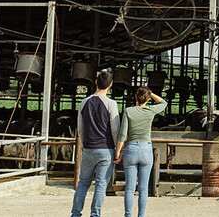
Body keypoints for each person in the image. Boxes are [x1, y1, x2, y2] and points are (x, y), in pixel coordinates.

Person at [70, 71, 120, 217]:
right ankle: (95, 214)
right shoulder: (111, 104)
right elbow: (115, 129)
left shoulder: (84, 102)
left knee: (83, 183)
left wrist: (84, 145)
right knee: (101, 185)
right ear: (110, 86)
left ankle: (75, 214)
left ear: (96, 82)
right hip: (106, 149)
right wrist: (117, 149)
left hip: (89, 148)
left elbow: (80, 128)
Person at [116, 86, 166, 217]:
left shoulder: (128, 111)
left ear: (135, 97)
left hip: (131, 149)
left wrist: (118, 151)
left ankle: (128, 215)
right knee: (143, 188)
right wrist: (151, 93)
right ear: (148, 99)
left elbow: (122, 134)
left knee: (129, 188)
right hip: (146, 149)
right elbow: (163, 103)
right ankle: (141, 215)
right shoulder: (150, 110)